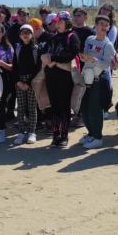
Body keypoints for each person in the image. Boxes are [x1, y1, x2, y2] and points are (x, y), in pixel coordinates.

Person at [42, 11, 81, 147]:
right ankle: (55, 134)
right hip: (51, 75)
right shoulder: (53, 37)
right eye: (56, 22)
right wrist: (46, 58)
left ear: (67, 22)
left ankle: (64, 135)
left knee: (64, 106)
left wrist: (53, 58)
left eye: (60, 21)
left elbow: (71, 55)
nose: (57, 24)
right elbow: (46, 52)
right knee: (54, 106)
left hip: (65, 76)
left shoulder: (72, 36)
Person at [78, 15, 116, 149]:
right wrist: (84, 58)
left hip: (98, 79)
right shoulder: (89, 39)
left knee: (95, 108)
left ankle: (98, 137)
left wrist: (95, 61)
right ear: (96, 26)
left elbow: (109, 64)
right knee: (85, 107)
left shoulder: (108, 45)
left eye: (107, 24)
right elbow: (84, 56)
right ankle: (91, 133)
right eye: (101, 24)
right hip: (85, 77)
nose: (104, 27)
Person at [13, 23, 41, 145]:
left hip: (32, 81)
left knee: (32, 107)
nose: (25, 35)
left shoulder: (36, 49)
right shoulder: (17, 48)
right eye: (23, 33)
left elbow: (38, 67)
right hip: (19, 81)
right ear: (20, 35)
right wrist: (18, 81)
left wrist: (29, 82)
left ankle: (32, 132)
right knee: (21, 107)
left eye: (28, 33)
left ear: (32, 35)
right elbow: (14, 66)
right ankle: (21, 132)